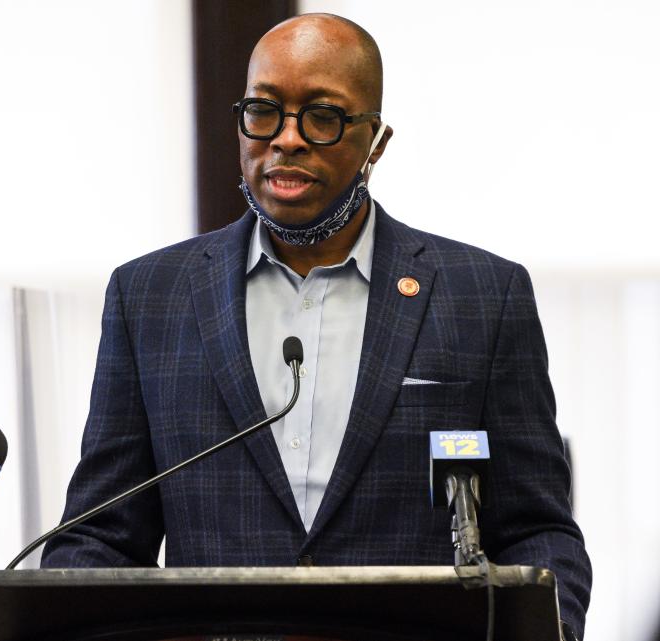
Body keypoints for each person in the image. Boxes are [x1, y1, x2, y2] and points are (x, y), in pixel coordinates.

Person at [40, 13, 592, 639]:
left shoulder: (483, 296)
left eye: (322, 116)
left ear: (376, 142)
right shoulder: (150, 298)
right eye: (263, 110)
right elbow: (100, 538)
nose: (286, 139)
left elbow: (536, 530)